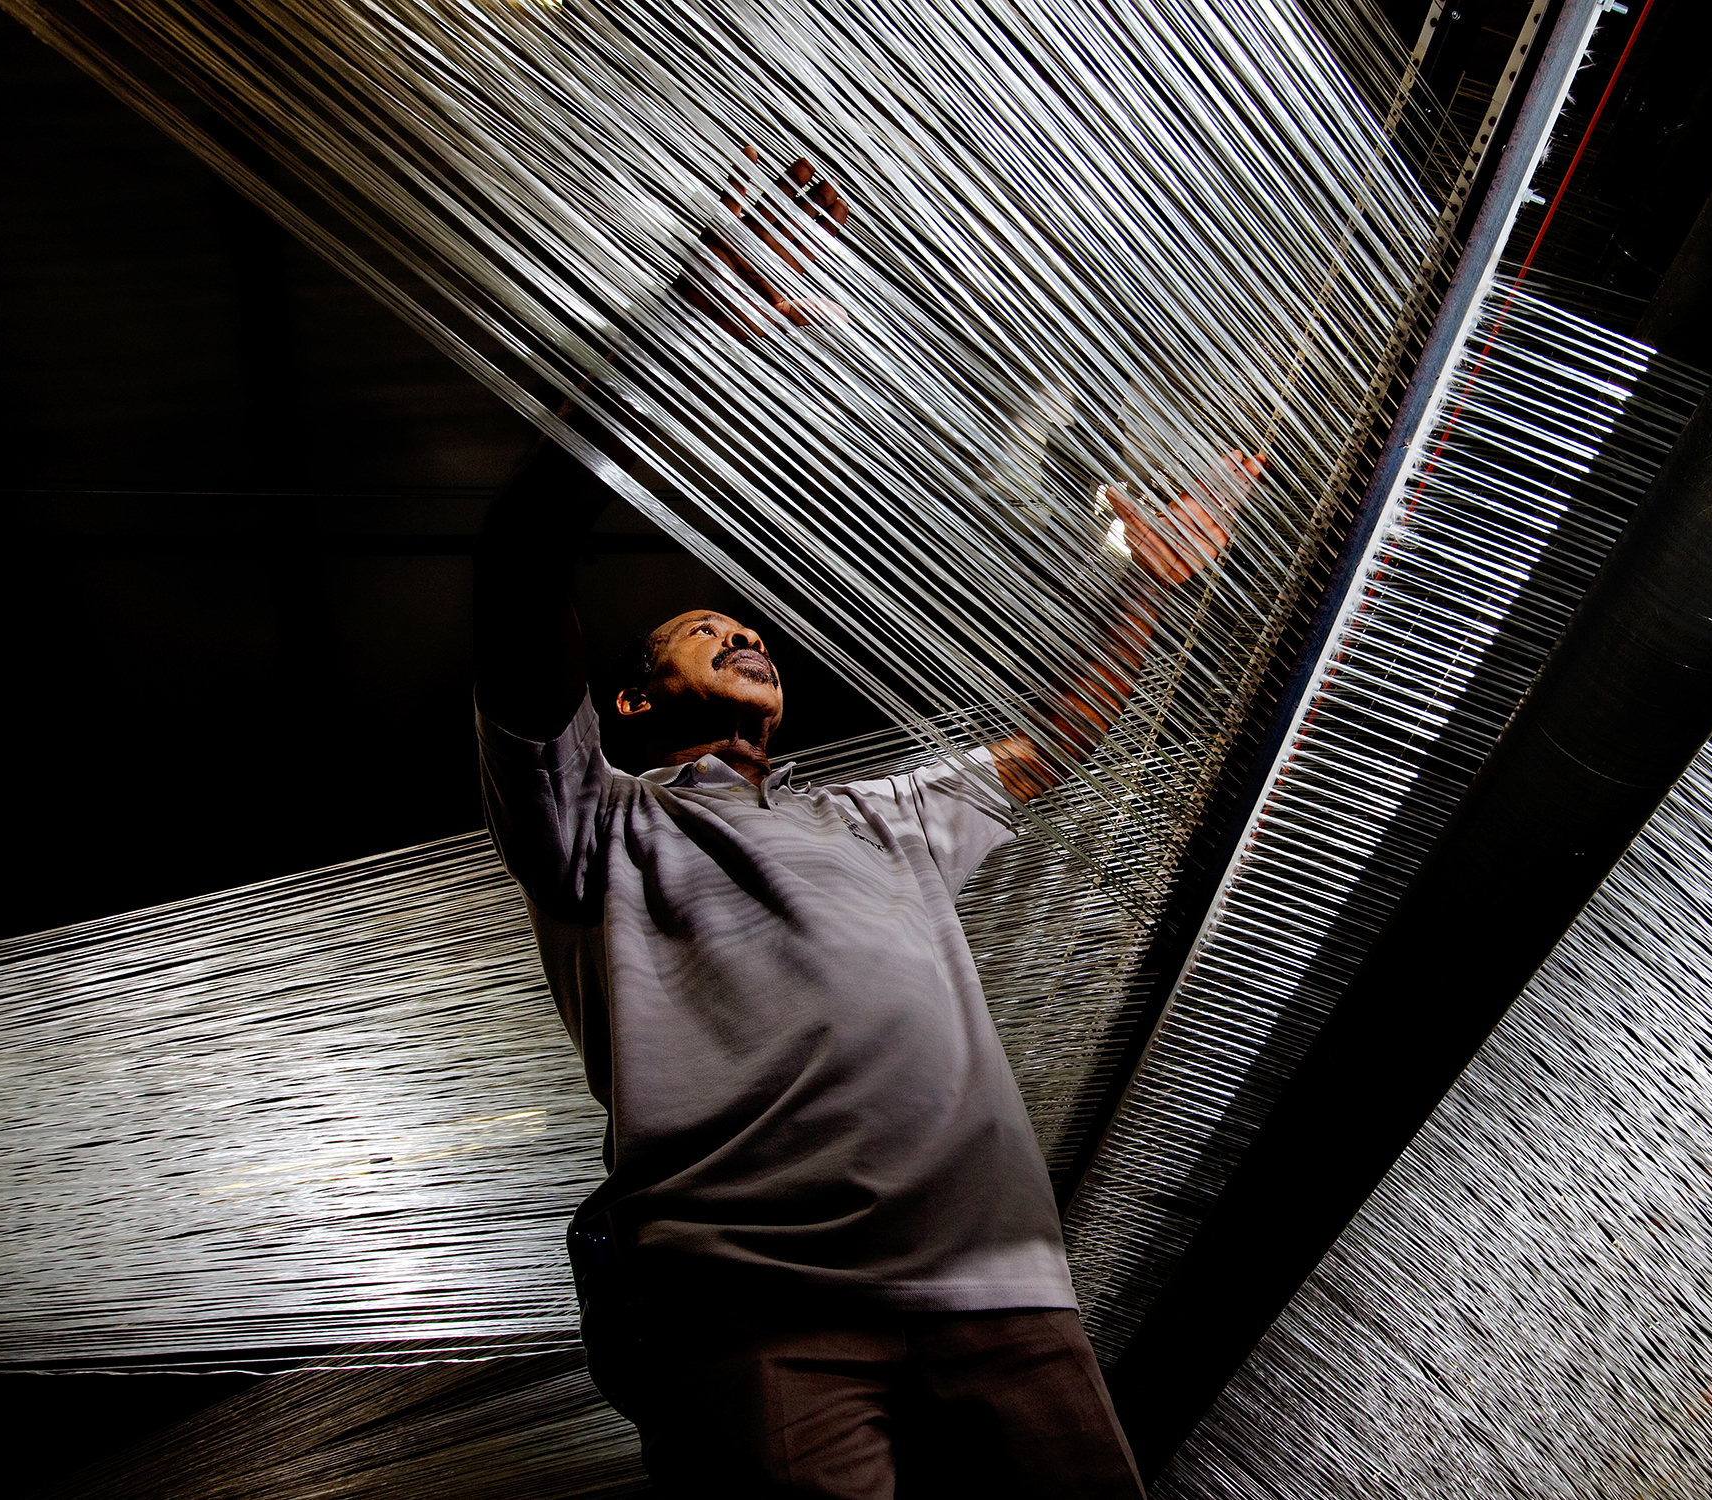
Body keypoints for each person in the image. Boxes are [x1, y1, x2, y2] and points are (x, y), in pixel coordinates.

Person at [473, 156, 1257, 1497]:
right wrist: (681, 324)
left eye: (755, 629)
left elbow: (1057, 735)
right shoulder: (592, 828)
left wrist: (1149, 594)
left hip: (999, 1290)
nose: (745, 634)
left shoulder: (875, 821)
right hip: (754, 1314)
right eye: (702, 629)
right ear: (626, 694)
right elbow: (517, 561)